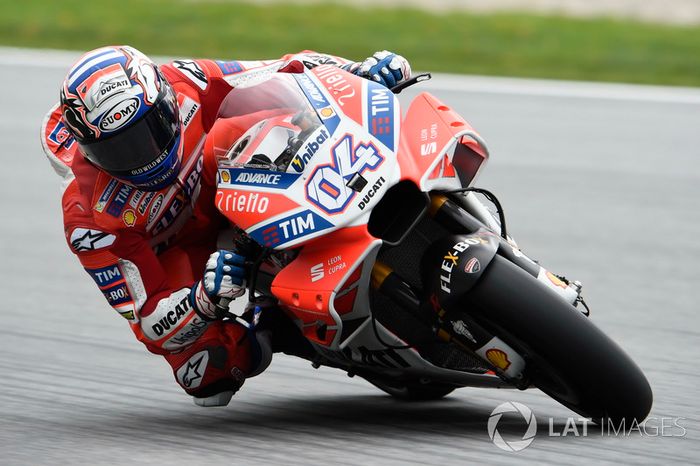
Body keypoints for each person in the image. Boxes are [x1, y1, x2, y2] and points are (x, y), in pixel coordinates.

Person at [40, 45, 411, 406]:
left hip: (226, 179)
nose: (144, 157)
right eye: (119, 150)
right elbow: (150, 323)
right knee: (204, 372)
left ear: (165, 100)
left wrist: (357, 71)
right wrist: (203, 298)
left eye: (149, 130)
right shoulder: (88, 219)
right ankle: (274, 321)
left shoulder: (186, 80)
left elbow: (280, 69)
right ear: (88, 150)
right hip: (184, 255)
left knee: (271, 118)